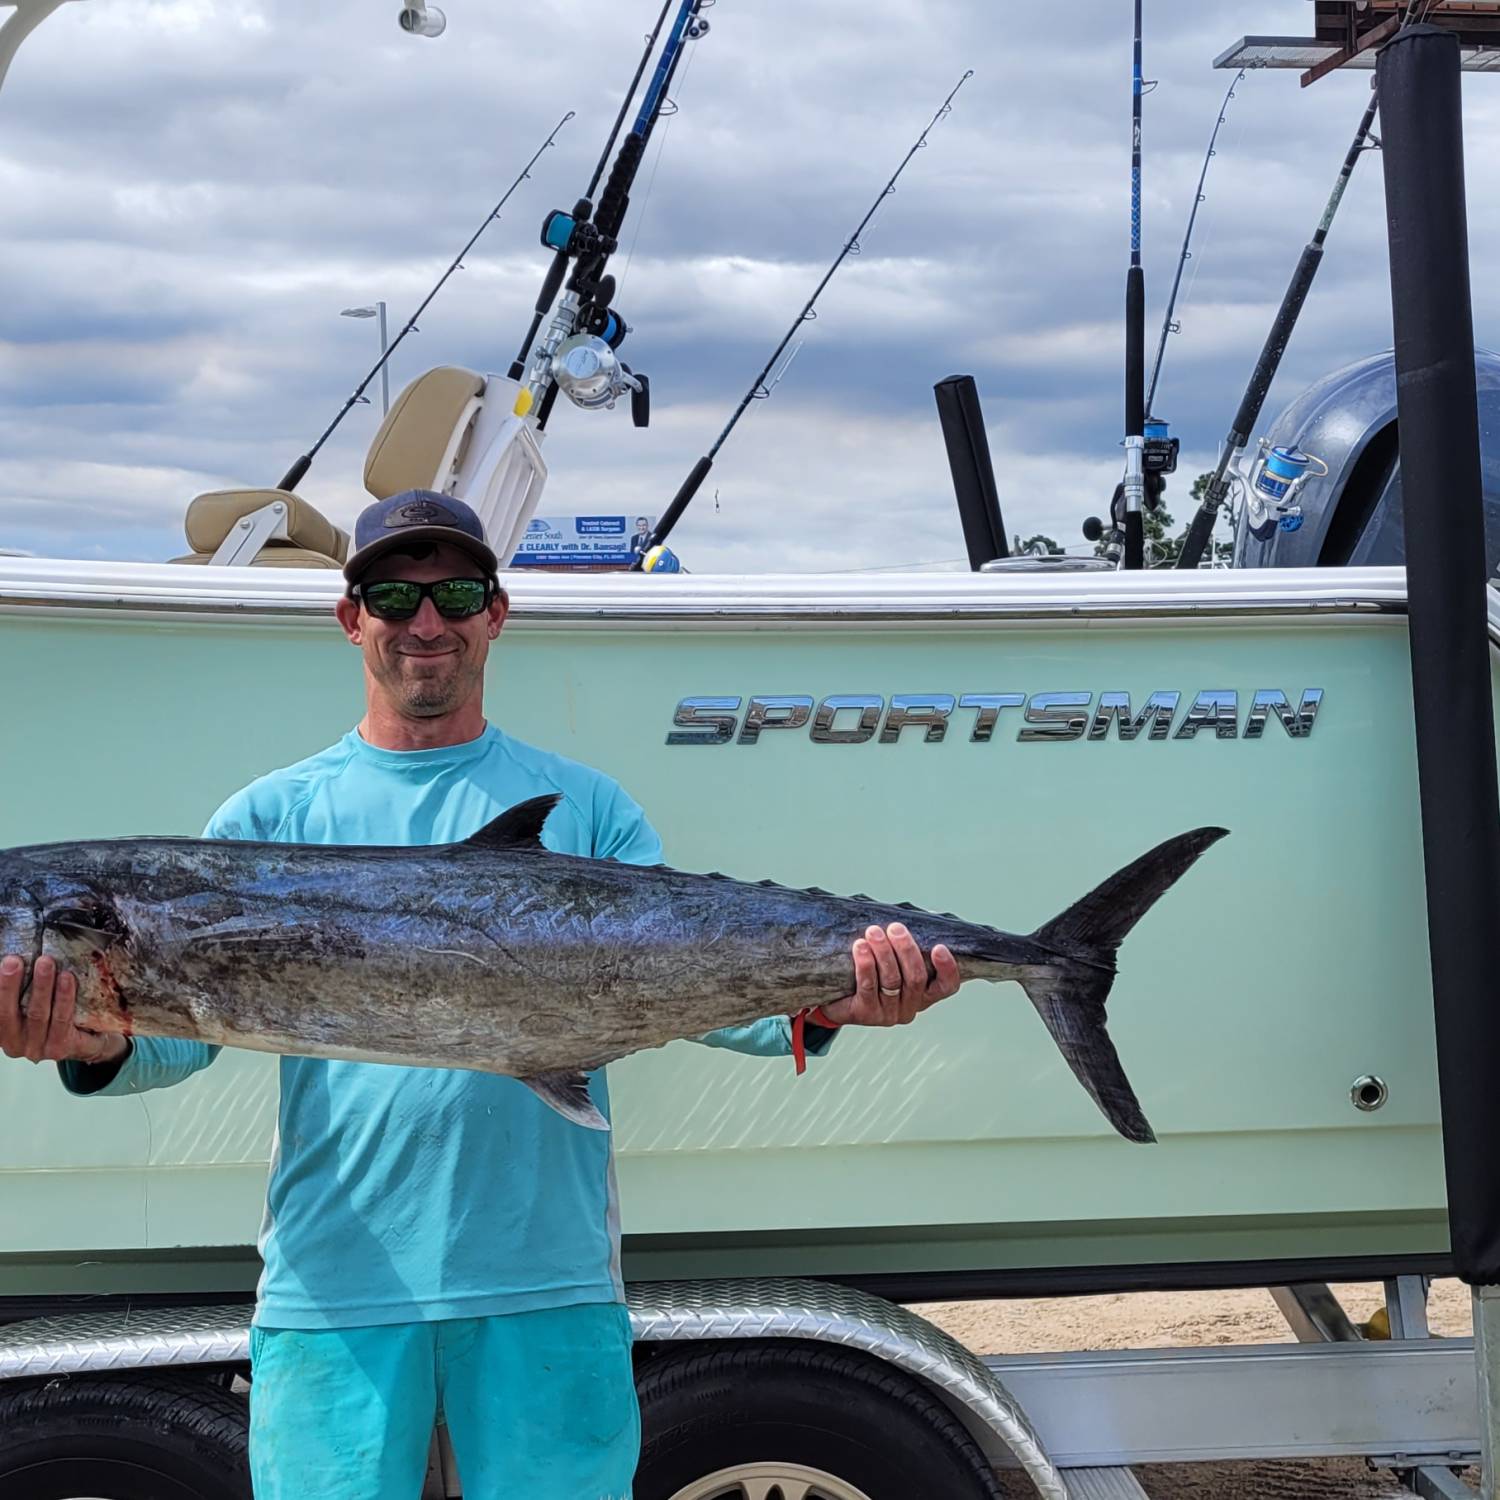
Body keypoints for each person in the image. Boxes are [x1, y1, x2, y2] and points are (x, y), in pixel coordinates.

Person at [0, 489, 961, 1500]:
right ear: (350, 616)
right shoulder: (272, 814)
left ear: (495, 614)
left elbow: (717, 998)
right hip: (336, 1291)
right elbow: (183, 1040)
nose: (426, 623)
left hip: (547, 1285)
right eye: (393, 595)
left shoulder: (585, 808)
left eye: (455, 593)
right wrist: (88, 1041)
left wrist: (837, 997)